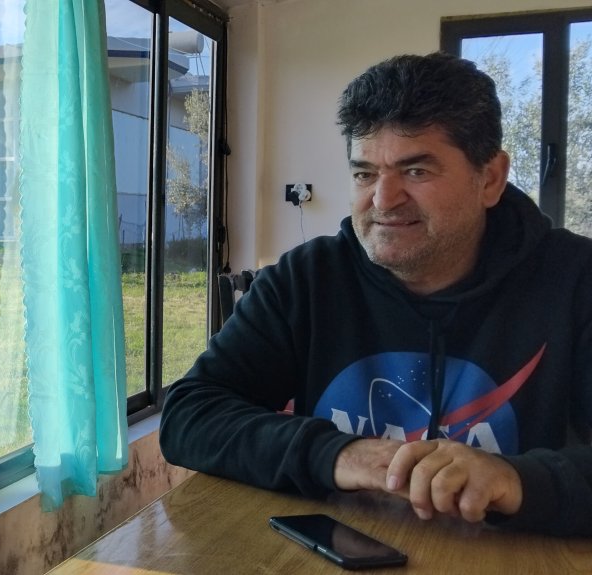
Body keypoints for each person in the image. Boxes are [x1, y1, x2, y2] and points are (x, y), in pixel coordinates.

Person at [159, 52, 592, 537]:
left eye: (417, 171)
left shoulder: (576, 280)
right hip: (335, 550)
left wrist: (516, 480)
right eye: (364, 174)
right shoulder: (307, 279)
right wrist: (343, 453)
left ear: (489, 178)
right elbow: (189, 415)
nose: (383, 200)